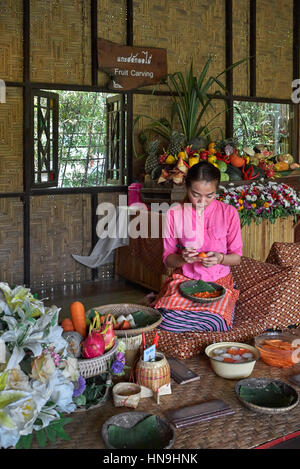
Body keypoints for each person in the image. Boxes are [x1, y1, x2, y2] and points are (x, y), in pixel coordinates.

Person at [154, 161, 243, 332]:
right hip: (185, 281)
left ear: (216, 191)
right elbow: (168, 260)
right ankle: (193, 321)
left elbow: (237, 258)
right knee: (164, 321)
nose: (202, 201)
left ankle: (202, 321)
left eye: (209, 195)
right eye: (196, 194)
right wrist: (182, 259)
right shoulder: (174, 214)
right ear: (187, 188)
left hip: (218, 283)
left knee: (217, 324)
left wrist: (221, 258)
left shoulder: (229, 213)